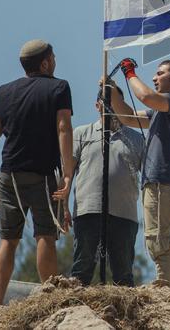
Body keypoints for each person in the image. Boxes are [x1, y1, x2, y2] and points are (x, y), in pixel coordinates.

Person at [0, 39, 73, 305]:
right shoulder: (59, 87)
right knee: (45, 234)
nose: (55, 61)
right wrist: (67, 175)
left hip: (8, 174)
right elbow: (63, 129)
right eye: (53, 57)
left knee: (7, 240)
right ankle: (49, 298)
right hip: (43, 173)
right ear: (45, 63)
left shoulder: (3, 92)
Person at [103, 58, 170, 290]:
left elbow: (145, 97)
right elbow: (126, 117)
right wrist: (112, 91)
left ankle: (166, 290)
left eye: (160, 73)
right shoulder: (162, 110)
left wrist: (129, 72)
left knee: (158, 241)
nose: (154, 77)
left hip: (164, 182)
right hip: (163, 182)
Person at [69, 94, 143, 285]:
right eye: (106, 101)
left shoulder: (137, 139)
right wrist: (62, 207)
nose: (110, 106)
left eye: (115, 102)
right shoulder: (81, 134)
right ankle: (75, 309)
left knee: (123, 272)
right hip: (89, 209)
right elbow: (66, 172)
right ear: (97, 105)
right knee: (81, 268)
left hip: (124, 213)